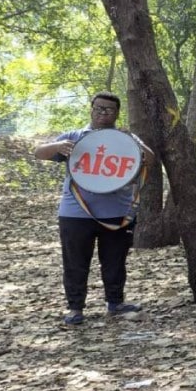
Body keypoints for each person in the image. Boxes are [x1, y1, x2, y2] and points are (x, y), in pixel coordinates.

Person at [33, 92, 153, 325]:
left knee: (115, 261)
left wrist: (134, 140)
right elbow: (39, 152)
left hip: (117, 213)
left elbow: (150, 159)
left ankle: (115, 302)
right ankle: (75, 308)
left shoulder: (125, 139)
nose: (103, 113)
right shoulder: (75, 137)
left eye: (108, 109)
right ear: (91, 108)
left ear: (117, 113)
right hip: (75, 213)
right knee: (75, 261)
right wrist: (58, 145)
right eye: (98, 108)